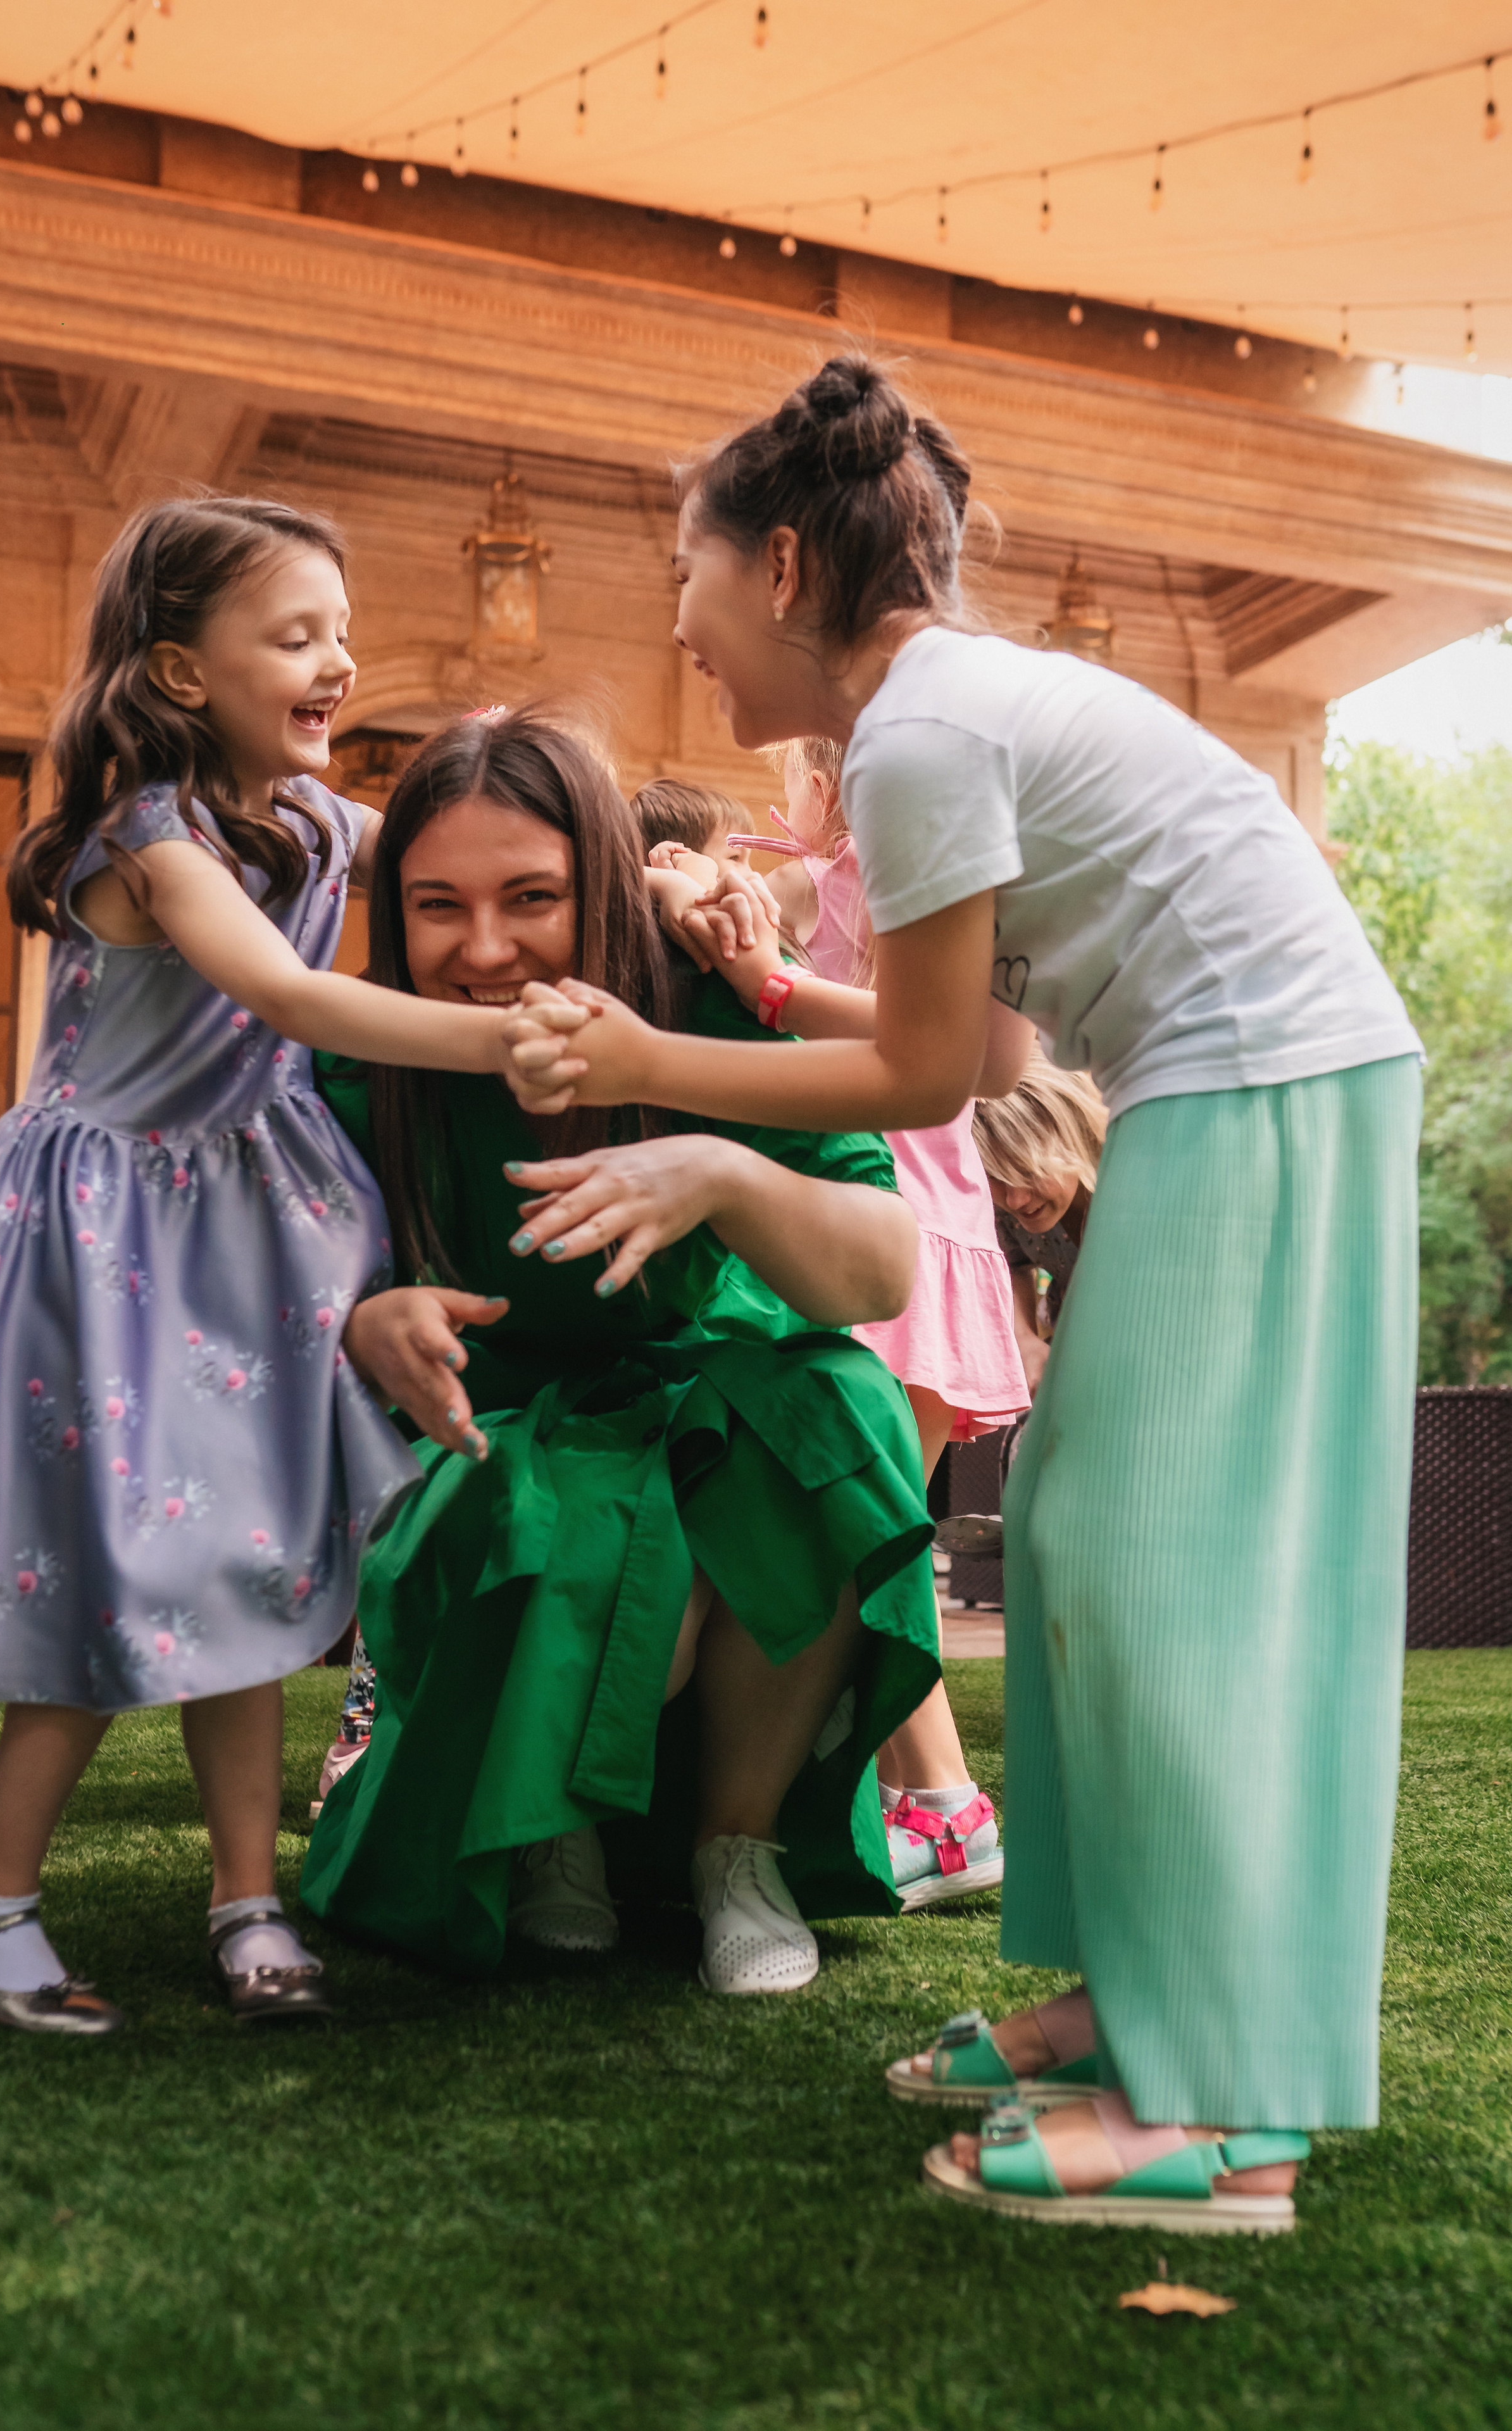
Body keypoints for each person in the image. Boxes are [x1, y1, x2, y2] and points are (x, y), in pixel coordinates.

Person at [499, 354, 1423, 2230]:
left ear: (775, 564)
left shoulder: (922, 730)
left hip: (1258, 1084)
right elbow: (996, 1033)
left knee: (1156, 1575)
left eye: (685, 584)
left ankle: (1219, 2110)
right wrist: (757, 1002)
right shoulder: (935, 719)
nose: (683, 635)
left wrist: (641, 1061)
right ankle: (1137, 2001)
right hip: (1241, 1079)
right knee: (1086, 1545)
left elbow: (925, 1080)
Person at [0, 498, 584, 2038]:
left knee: (255, 1561)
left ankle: (246, 1895)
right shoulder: (151, 836)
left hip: (249, 1228)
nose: (336, 659)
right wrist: (517, 1034)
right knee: (118, 1558)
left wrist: (677, 885)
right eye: (293, 635)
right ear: (180, 671)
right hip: (106, 1238)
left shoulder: (329, 823)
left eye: (340, 627)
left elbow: (470, 846)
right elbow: (287, 992)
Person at [299, 707, 944, 1994]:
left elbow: (877, 1266)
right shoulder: (363, 1050)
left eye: (530, 897)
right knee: (549, 1502)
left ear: (598, 881)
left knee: (840, 1413)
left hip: (716, 1416)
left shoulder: (705, 989)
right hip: (509, 1443)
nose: (483, 951)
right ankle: (550, 1828)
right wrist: (363, 1324)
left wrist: (718, 1172)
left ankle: (735, 1849)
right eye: (437, 907)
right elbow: (286, 1295)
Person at [639, 749, 1027, 1911]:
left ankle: (950, 1812)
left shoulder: (839, 881)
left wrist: (699, 898)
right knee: (870, 1531)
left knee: (862, 1539)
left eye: (798, 775)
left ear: (838, 784)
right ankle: (934, 1805)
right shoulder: (865, 879)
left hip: (881, 1210)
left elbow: (746, 930)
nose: (779, 802)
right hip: (933, 1221)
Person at [973, 1051, 1108, 1398]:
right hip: (1071, 1345)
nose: (1015, 1200)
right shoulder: (1006, 1205)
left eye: (1029, 1173)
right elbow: (1015, 1265)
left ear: (1074, 1139)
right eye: (997, 1177)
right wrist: (1024, 1337)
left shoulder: (1125, 1190)